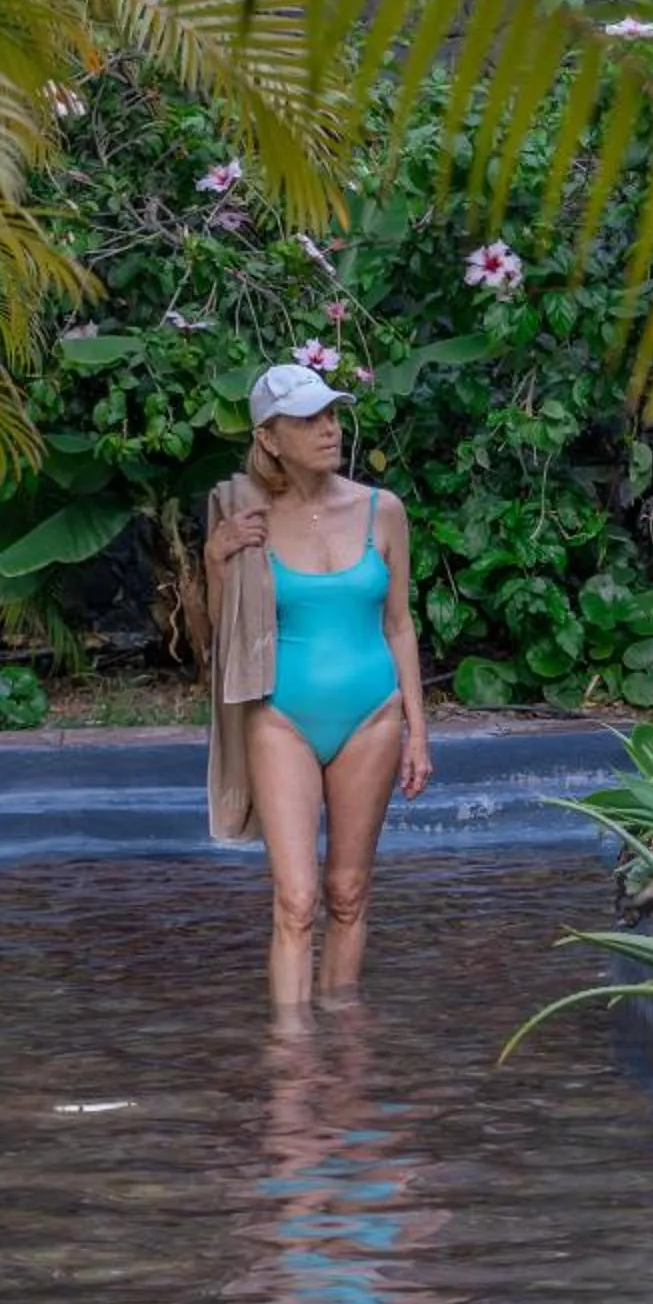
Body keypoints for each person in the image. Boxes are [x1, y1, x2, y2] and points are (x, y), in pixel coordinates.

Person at [202, 362, 433, 1023]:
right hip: (282, 717)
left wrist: (419, 728)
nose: (328, 428)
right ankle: (292, 1060)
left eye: (331, 414)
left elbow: (399, 624)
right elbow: (227, 633)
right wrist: (217, 558)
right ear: (270, 437)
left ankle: (344, 1047)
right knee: (297, 900)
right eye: (308, 419)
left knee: (349, 891)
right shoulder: (245, 515)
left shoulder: (381, 510)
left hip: (373, 715)